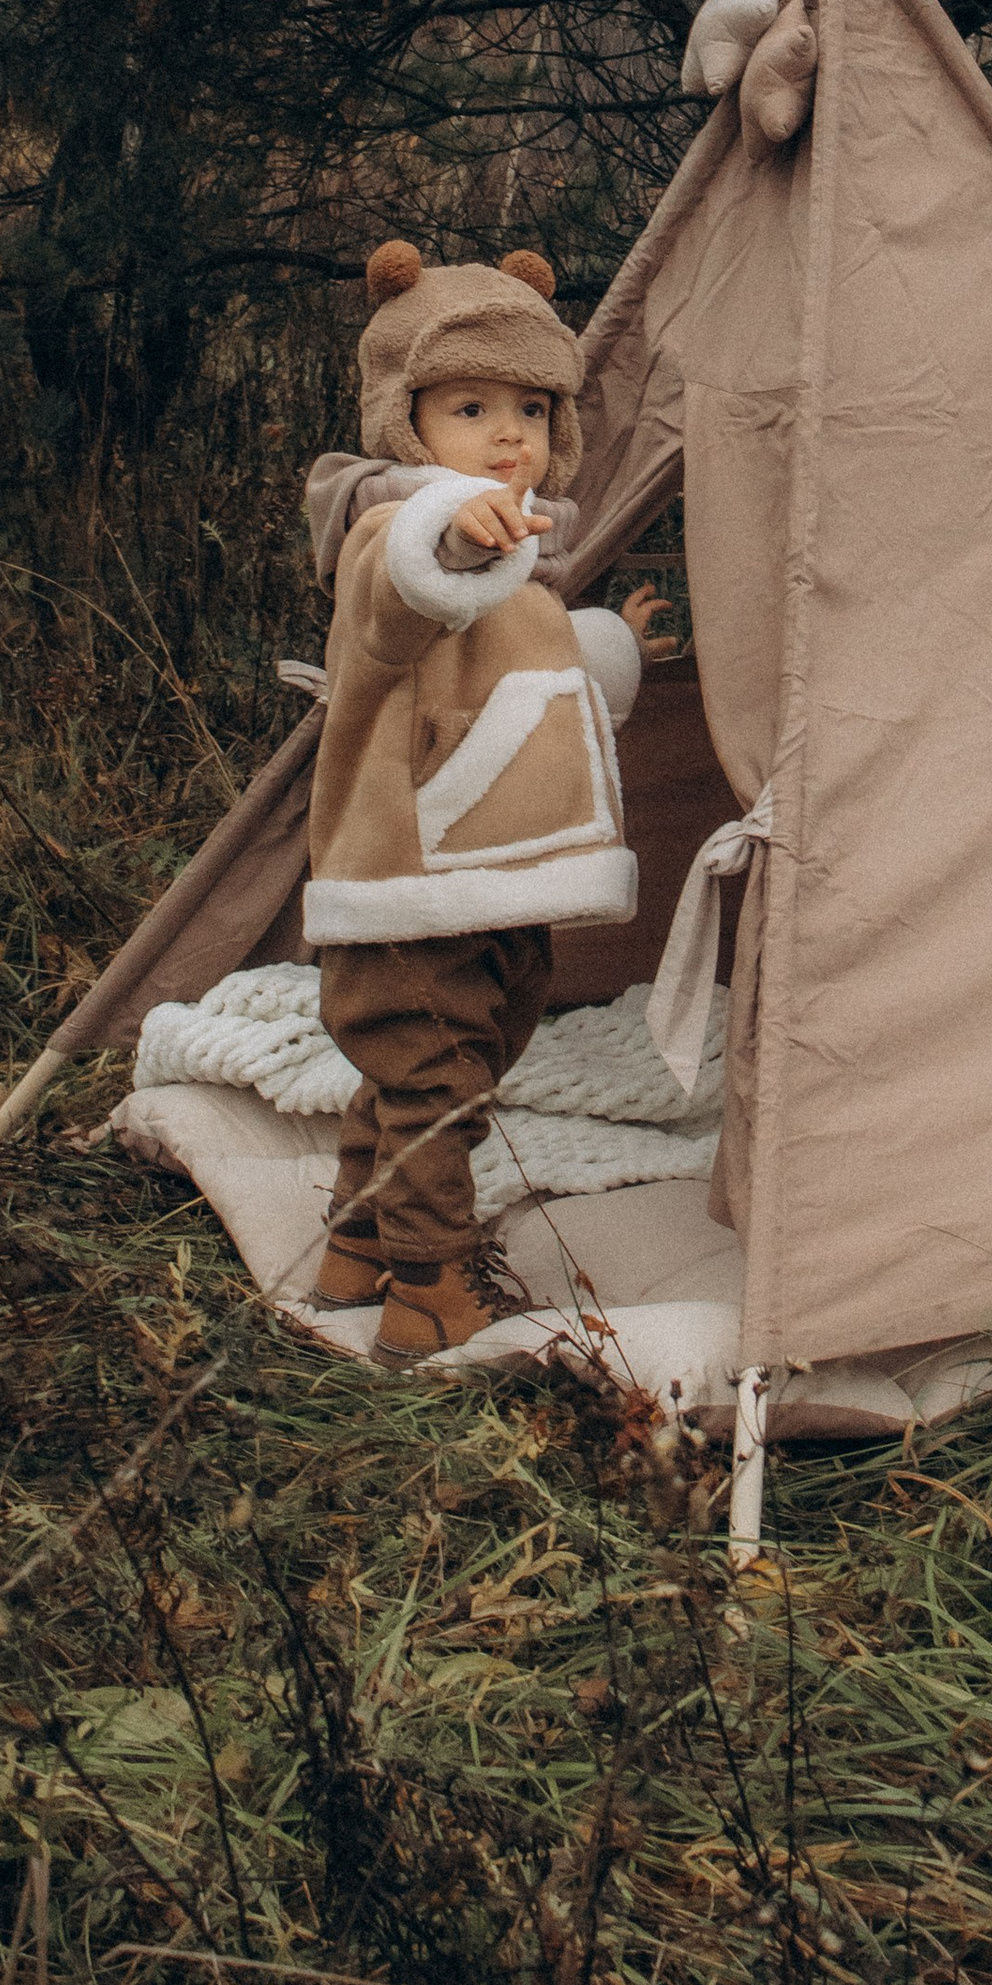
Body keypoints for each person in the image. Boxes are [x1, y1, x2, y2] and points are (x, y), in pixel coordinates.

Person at [297, 240, 671, 1358]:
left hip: (496, 873)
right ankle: (431, 1287)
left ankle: (357, 1239)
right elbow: (398, 598)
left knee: (453, 1057)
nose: (511, 437)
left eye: (532, 410)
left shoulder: (523, 553)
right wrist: (447, 534)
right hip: (413, 872)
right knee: (434, 1079)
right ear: (408, 424)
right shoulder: (388, 525)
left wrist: (610, 644)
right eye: (471, 409)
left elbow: (527, 668)